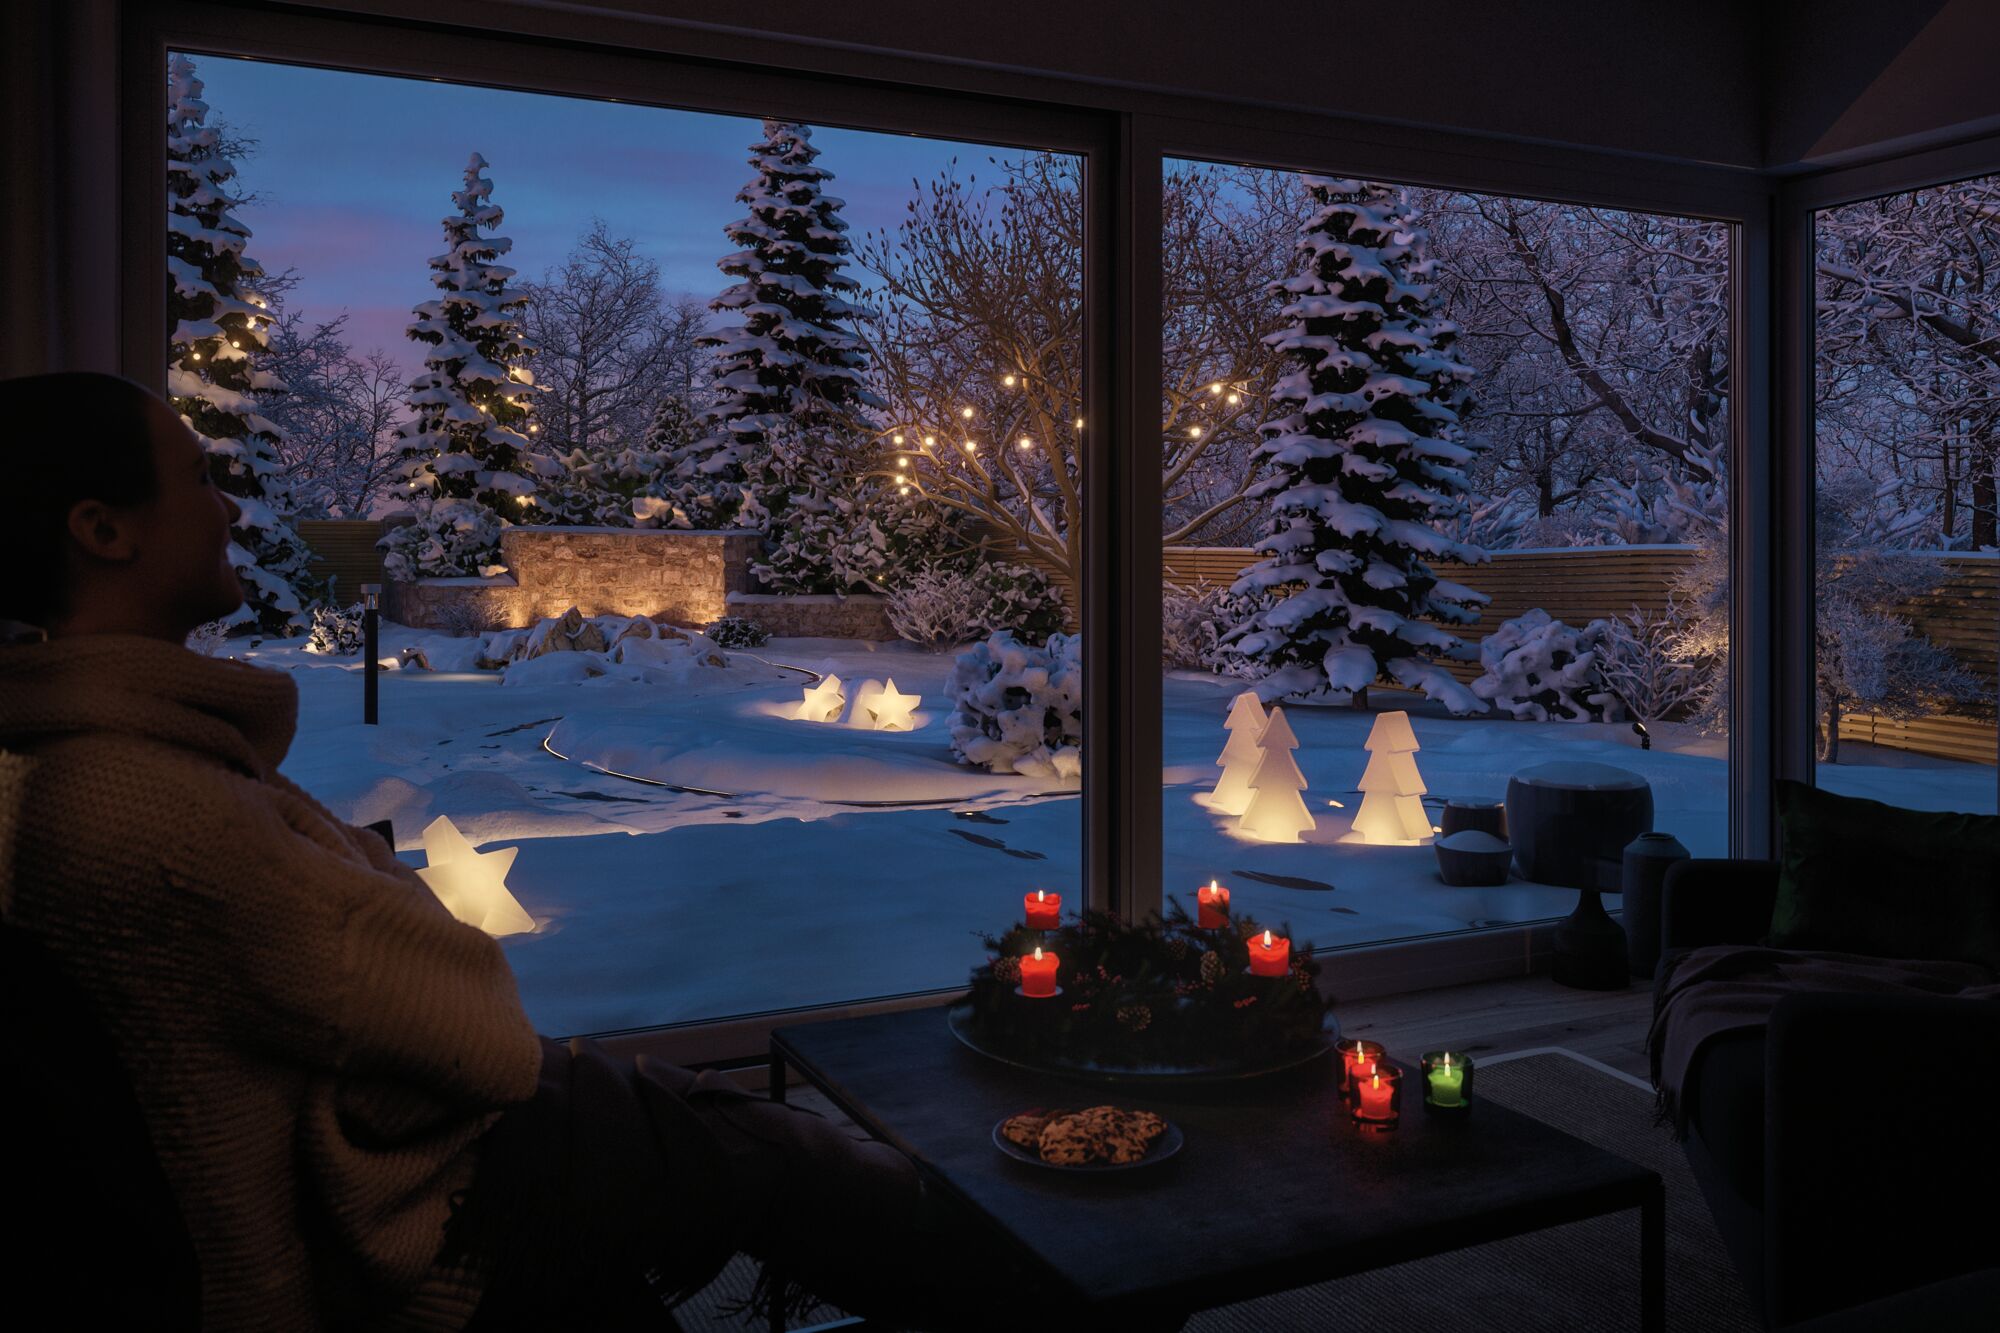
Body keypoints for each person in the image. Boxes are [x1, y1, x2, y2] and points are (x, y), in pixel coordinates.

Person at [0, 373, 984, 1331]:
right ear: (103, 528)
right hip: (433, 1234)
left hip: (453, 1189)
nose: (227, 507)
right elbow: (476, 1023)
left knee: (733, 1146)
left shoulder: (115, 756)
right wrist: (385, 896)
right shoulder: (142, 803)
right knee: (785, 1169)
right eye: (196, 480)